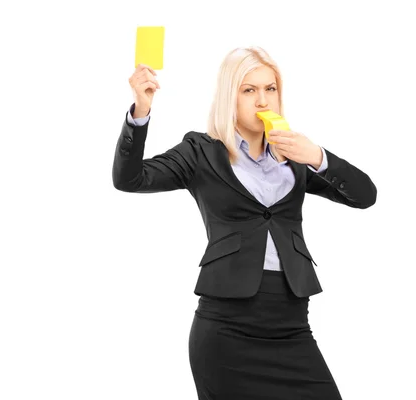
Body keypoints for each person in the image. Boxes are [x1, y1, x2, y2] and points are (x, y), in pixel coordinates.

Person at [113, 46, 377, 399]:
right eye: (249, 90)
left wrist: (317, 157)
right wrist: (140, 112)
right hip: (226, 329)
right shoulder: (200, 152)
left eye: (270, 89)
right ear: (230, 97)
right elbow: (130, 179)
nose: (262, 100)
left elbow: (365, 196)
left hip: (291, 324)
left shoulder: (295, 155)